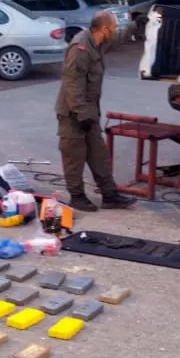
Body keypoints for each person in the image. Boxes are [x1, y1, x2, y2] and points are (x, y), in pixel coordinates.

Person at [55, 11, 140, 212]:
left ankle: (109, 195)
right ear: (104, 29)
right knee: (74, 156)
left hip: (89, 111)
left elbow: (116, 41)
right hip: (73, 113)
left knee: (98, 154)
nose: (114, 31)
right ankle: (77, 196)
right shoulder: (80, 47)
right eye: (113, 28)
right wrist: (81, 113)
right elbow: (72, 83)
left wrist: (135, 26)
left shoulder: (97, 42)